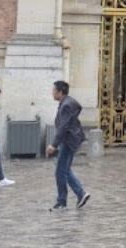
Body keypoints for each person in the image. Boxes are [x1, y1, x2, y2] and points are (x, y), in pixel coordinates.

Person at [47, 80, 90, 211]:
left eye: (54, 90)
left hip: (68, 141)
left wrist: (53, 145)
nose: (52, 92)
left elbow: (63, 127)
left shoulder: (66, 105)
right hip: (71, 140)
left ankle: (61, 203)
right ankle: (81, 194)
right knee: (65, 170)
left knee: (60, 172)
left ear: (60, 92)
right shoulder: (68, 102)